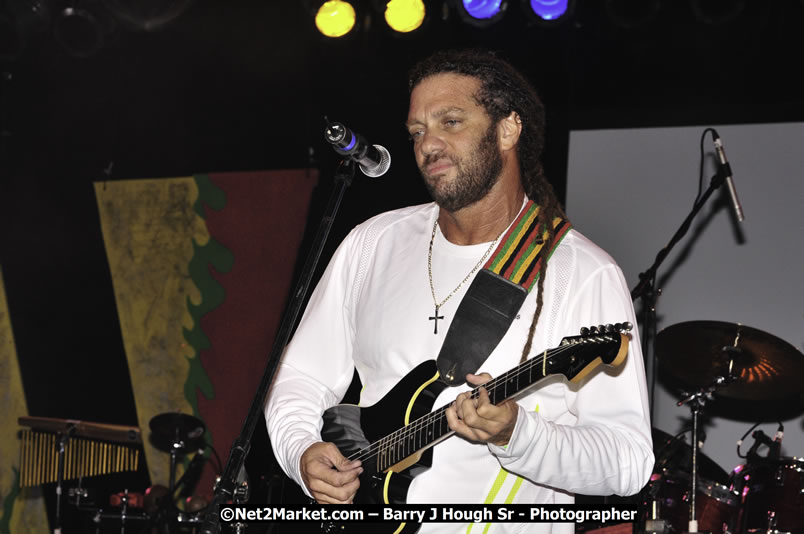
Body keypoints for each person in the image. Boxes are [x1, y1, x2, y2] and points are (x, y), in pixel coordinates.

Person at [265, 49, 654, 533]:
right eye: (417, 131)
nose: (429, 144)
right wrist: (301, 449)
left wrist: (519, 433)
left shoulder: (581, 271)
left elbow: (628, 460)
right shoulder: (372, 243)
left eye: (451, 121)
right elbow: (299, 376)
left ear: (508, 129)